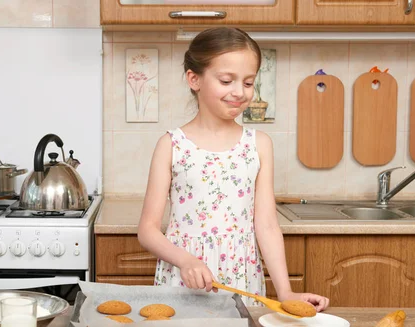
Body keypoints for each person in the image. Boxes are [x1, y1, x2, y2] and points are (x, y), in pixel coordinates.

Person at [137, 27, 329, 311]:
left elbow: (266, 226)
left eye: (249, 83)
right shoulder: (172, 145)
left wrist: (285, 292)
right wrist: (186, 260)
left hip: (243, 280)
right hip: (183, 281)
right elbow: (148, 230)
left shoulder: (258, 145)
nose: (239, 92)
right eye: (227, 80)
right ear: (194, 79)